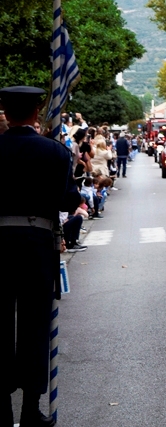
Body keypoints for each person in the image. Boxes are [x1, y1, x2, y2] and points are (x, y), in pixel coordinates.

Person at [0, 87, 83, 427]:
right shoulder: (55, 152)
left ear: (5, 110)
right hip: (37, 244)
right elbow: (68, 201)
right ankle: (30, 411)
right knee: (35, 326)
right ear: (37, 111)